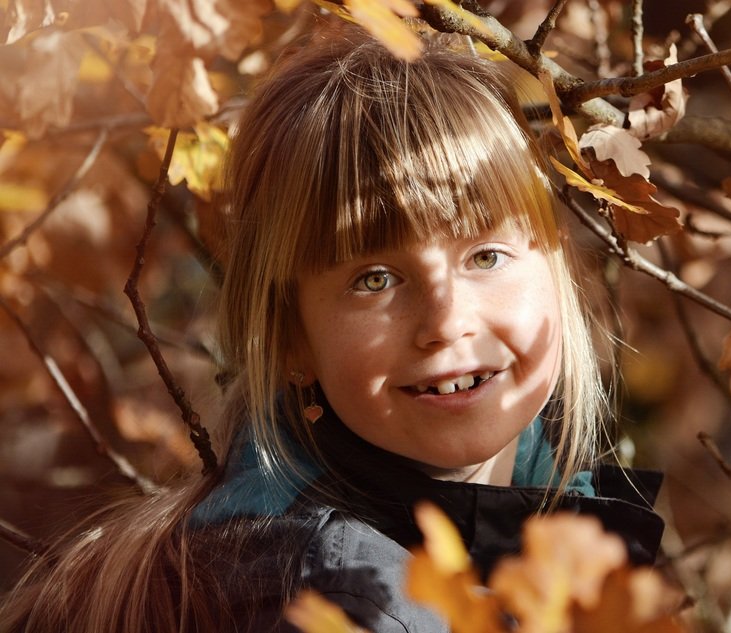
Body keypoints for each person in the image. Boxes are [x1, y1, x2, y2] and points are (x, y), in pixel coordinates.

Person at [0, 23, 664, 633]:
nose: (446, 321)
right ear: (291, 337)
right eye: (374, 277)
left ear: (556, 273)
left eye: (485, 256)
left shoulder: (564, 535)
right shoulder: (345, 604)